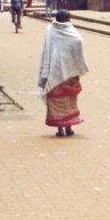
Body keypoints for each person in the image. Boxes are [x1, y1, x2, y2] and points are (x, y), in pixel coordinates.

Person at [37, 9, 89, 137]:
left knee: (57, 100)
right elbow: (78, 41)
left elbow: (46, 51)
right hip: (70, 71)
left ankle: (60, 129)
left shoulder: (51, 30)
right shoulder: (71, 32)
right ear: (67, 19)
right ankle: (68, 128)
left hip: (54, 71)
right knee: (69, 100)